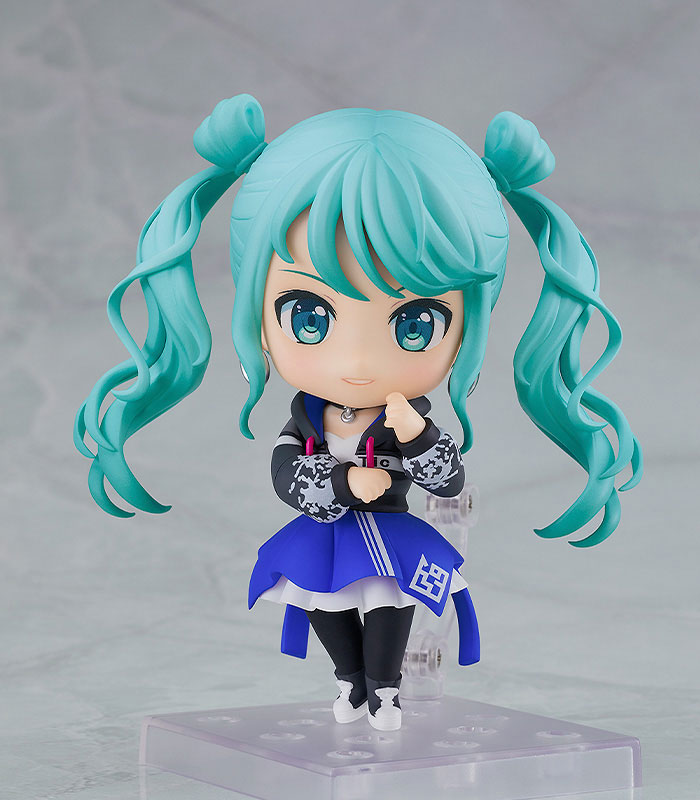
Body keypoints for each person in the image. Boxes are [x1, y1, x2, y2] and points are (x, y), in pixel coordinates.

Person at [74, 94, 642, 731]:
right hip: (326, 533)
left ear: (468, 329)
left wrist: (418, 437)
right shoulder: (306, 420)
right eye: (309, 317)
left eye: (414, 324)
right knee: (324, 603)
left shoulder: (407, 416)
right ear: (257, 314)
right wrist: (344, 482)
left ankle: (385, 688)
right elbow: (285, 473)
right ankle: (349, 679)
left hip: (394, 532)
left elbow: (446, 480)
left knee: (393, 606)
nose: (358, 362)